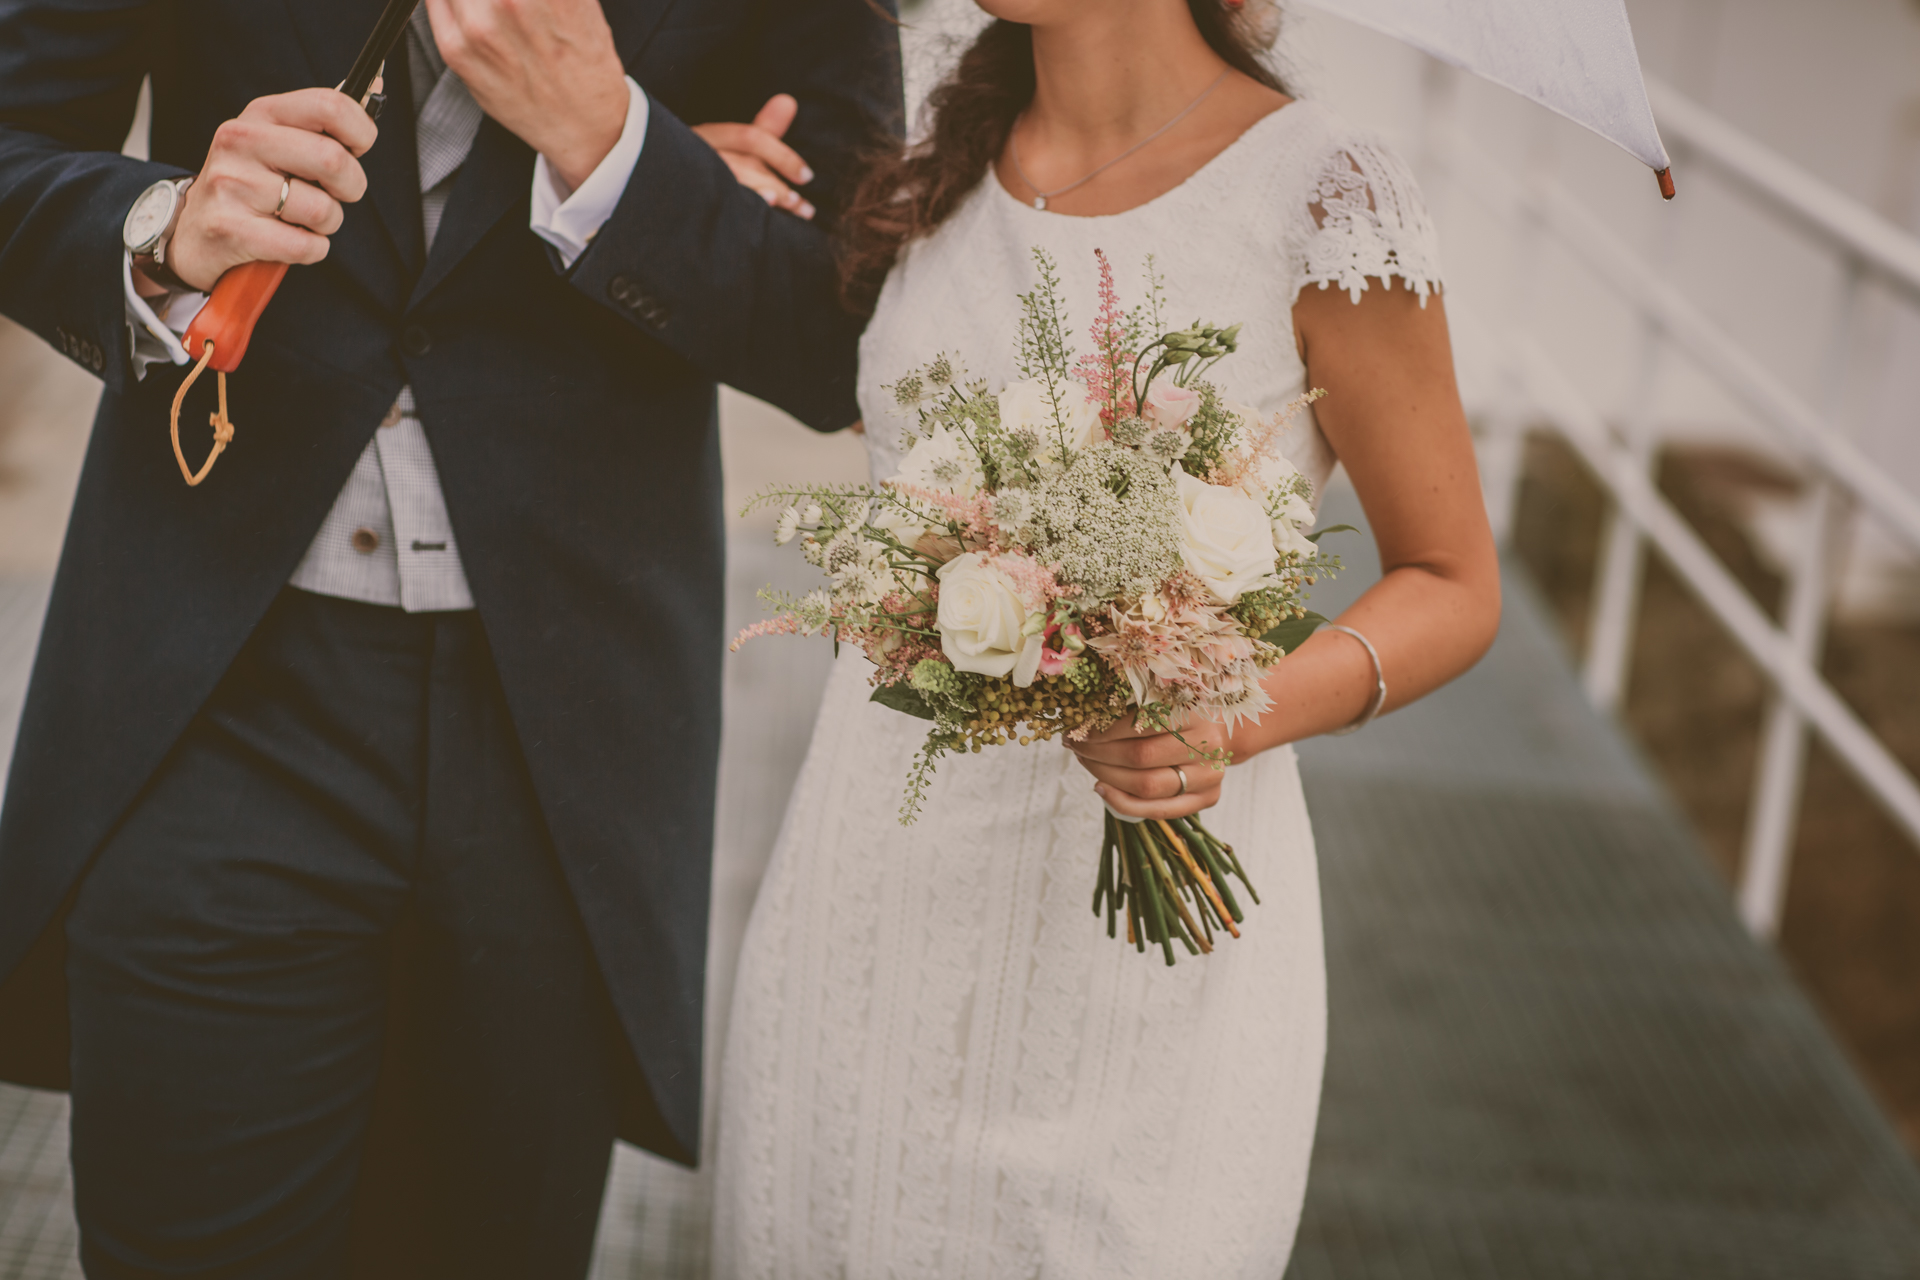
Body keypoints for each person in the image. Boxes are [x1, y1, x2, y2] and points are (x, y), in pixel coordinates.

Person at [0, 0, 900, 1273]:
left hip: (563, 743)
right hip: (214, 697)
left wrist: (617, 147)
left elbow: (835, 329)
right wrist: (163, 229)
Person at [707, 0, 1501, 1274]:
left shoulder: (1324, 193)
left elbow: (1455, 578)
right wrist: (691, 172)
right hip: (870, 905)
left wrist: (1231, 715)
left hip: (1136, 969)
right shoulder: (922, 155)